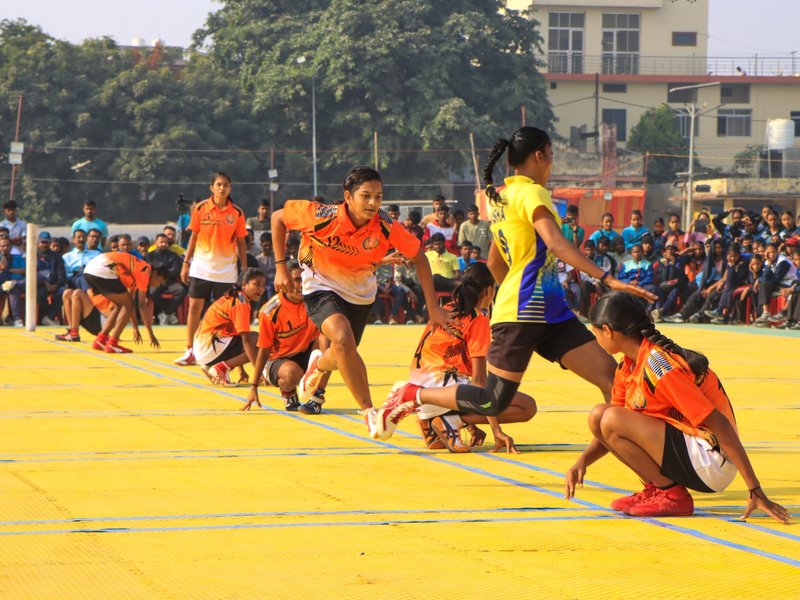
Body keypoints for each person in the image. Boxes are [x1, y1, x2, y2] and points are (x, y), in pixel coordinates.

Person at [374, 127, 655, 441]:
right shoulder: (532, 193)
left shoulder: (501, 197)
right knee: (493, 399)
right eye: (551, 157)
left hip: (551, 313)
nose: (552, 164)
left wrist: (517, 291)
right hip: (524, 312)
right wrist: (609, 278)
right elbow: (558, 245)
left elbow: (495, 262)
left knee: (611, 379)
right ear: (539, 156)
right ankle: (413, 394)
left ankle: (631, 450)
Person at [564, 292, 790, 523]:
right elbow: (609, 430)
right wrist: (582, 462)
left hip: (711, 462)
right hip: (690, 451)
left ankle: (671, 495)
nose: (597, 340)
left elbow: (718, 423)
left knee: (609, 416)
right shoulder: (628, 365)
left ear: (608, 330)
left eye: (596, 333)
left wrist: (754, 488)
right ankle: (657, 489)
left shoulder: (659, 366)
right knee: (599, 415)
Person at [271, 165, 453, 436]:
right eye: (366, 196)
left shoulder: (385, 225)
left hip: (360, 293)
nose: (373, 203)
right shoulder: (321, 214)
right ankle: (369, 411)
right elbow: (278, 218)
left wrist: (433, 308)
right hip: (319, 285)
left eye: (378, 197)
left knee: (344, 351)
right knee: (342, 338)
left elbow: (419, 258)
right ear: (348, 197)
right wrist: (280, 266)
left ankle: (317, 367)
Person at [399, 263, 537, 452]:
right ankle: (450, 420)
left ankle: (430, 423)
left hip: (422, 395)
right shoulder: (478, 317)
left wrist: (472, 427)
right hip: (443, 392)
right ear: (490, 290)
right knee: (527, 407)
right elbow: (480, 382)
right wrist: (497, 430)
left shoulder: (444, 309)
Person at [175, 172, 248, 366]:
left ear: (230, 188)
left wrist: (245, 270)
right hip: (201, 268)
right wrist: (185, 262)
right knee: (194, 308)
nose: (222, 188)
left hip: (226, 272)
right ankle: (190, 350)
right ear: (212, 187)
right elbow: (194, 236)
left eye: (225, 185)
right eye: (218, 184)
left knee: (222, 314)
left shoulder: (237, 213)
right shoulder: (200, 208)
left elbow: (241, 242)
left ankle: (215, 351)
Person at [243, 262, 329, 413]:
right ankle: (288, 393)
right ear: (285, 281)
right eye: (297, 279)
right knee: (291, 373)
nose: (302, 284)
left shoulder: (314, 301)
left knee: (331, 343)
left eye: (304, 278)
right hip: (277, 360)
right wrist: (254, 386)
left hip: (304, 351)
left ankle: (317, 397)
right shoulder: (270, 311)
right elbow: (263, 351)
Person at [82, 252, 166, 353]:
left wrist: (135, 328)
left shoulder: (136, 272)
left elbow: (130, 305)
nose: (157, 285)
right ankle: (113, 343)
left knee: (120, 305)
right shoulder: (145, 270)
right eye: (159, 281)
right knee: (127, 304)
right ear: (155, 273)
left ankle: (101, 339)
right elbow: (141, 305)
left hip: (90, 270)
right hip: (102, 269)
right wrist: (151, 334)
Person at [193, 268, 265, 387]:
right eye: (257, 284)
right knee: (260, 342)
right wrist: (259, 375)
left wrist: (241, 370)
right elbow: (245, 341)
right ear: (244, 285)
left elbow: (237, 334)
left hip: (203, 347)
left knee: (253, 337)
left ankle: (211, 366)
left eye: (263, 285)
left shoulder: (234, 296)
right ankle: (220, 368)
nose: (261, 289)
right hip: (209, 345)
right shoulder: (241, 303)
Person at [144, 233, 186, 325]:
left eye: (166, 242)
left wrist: (160, 270)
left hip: (170, 281)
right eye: (161, 242)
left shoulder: (174, 256)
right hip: (155, 282)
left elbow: (176, 270)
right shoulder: (149, 256)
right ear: (156, 243)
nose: (163, 244)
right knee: (153, 292)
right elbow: (148, 270)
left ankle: (166, 313)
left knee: (181, 291)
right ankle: (165, 313)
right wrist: (164, 269)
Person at [35, 231, 67, 325]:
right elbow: (32, 273)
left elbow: (62, 275)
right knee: (40, 293)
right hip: (40, 285)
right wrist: (45, 283)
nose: (44, 245)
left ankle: (48, 317)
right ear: (38, 242)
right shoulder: (33, 255)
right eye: (42, 242)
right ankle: (42, 318)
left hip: (54, 285)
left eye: (47, 242)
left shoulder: (56, 256)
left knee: (64, 291)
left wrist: (55, 285)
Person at [0, 237, 25, 326]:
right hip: (1, 285)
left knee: (13, 289)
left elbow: (24, 270)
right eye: (2, 246)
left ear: (11, 247)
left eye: (7, 246)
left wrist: (9, 270)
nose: (5, 248)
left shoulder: (18, 257)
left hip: (16, 284)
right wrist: (2, 257)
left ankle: (17, 319)